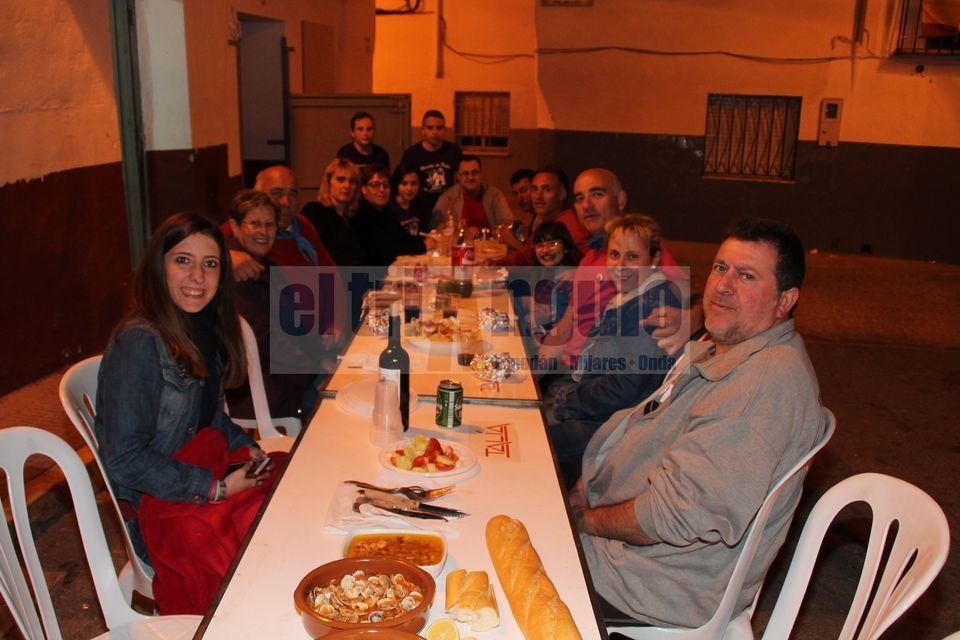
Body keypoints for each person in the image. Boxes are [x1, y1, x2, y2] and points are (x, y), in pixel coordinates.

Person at [571, 218, 826, 629]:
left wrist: (584, 521)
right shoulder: (727, 345)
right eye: (720, 268)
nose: (723, 285)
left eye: (747, 276)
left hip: (645, 581)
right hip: (631, 550)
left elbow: (672, 516)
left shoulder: (761, 386)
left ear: (785, 300)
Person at [94, 212, 284, 615]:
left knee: (286, 485)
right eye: (183, 260)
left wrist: (248, 449)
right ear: (158, 267)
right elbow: (124, 459)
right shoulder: (139, 343)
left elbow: (209, 420)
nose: (198, 276)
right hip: (160, 507)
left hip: (200, 475)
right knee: (264, 536)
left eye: (210, 264)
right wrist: (217, 489)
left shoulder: (200, 328)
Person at [545, 215, 681, 485]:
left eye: (633, 257)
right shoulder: (629, 297)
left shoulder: (650, 308)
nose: (620, 266)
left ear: (654, 259)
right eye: (615, 254)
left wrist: (568, 400)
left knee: (533, 439)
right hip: (604, 410)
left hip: (619, 428)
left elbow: (625, 387)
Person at [539, 168, 695, 369]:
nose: (586, 205)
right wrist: (531, 374)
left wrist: (693, 318)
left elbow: (688, 295)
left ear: (620, 200)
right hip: (566, 367)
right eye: (579, 198)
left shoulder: (640, 248)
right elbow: (565, 327)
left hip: (595, 374)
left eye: (597, 194)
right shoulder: (590, 257)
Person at [224, 190, 317, 422]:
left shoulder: (265, 265)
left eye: (269, 224)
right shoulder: (239, 274)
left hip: (285, 377)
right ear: (235, 227)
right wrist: (314, 368)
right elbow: (265, 342)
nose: (263, 233)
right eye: (255, 224)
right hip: (266, 393)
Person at [222, 165, 334, 281]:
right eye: (277, 193)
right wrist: (227, 257)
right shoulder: (239, 228)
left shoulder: (302, 224)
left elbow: (330, 271)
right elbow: (211, 250)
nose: (286, 202)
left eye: (292, 194)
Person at [501, 165, 590, 265]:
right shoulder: (546, 222)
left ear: (562, 194)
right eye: (535, 189)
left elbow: (592, 262)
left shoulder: (570, 224)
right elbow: (525, 256)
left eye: (547, 189)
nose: (538, 196)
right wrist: (496, 264)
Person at [352, 164, 429, 266]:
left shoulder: (385, 210)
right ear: (363, 189)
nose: (382, 189)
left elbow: (403, 237)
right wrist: (424, 245)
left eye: (385, 185)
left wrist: (426, 241)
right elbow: (389, 250)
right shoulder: (361, 216)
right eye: (375, 185)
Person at [301, 158, 364, 266]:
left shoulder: (357, 218)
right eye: (341, 180)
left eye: (352, 181)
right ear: (328, 182)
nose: (347, 186)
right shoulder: (314, 212)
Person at [430, 155, 513, 237]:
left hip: (489, 243)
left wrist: (482, 232)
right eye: (465, 173)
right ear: (459, 176)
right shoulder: (448, 197)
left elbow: (508, 224)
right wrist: (458, 232)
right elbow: (434, 225)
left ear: (481, 173)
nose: (470, 177)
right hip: (458, 243)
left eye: (475, 172)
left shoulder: (494, 195)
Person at [399, 109, 463, 213]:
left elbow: (461, 179)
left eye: (439, 128)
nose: (435, 132)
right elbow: (402, 183)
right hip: (420, 210)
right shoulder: (411, 154)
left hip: (448, 208)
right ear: (423, 130)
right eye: (430, 128)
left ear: (445, 130)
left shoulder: (453, 151)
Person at [526, 221, 582, 336]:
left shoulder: (565, 276)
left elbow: (558, 319)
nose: (545, 250)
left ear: (566, 247)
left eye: (552, 244)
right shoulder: (543, 271)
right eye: (540, 245)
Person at [389, 163, 431, 237]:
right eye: (404, 184)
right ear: (396, 184)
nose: (409, 188)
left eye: (413, 183)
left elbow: (424, 232)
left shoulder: (420, 204)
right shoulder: (388, 208)